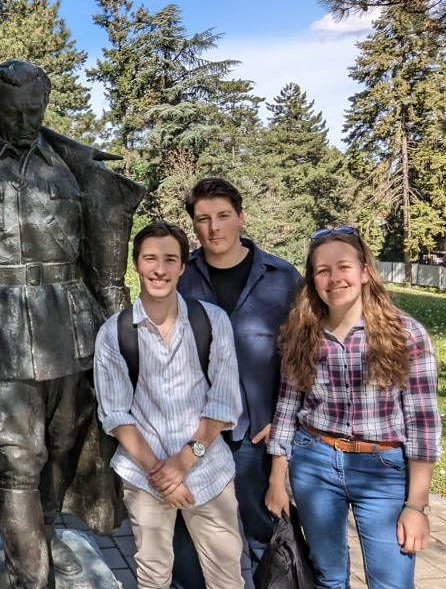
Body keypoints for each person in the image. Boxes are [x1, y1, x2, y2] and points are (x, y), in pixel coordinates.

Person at [0, 59, 144, 587]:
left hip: (71, 323)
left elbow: (99, 256)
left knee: (64, 440)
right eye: (13, 112)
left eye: (34, 110)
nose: (25, 121)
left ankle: (49, 529)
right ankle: (29, 576)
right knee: (19, 458)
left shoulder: (73, 165)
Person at [265, 226, 441, 588]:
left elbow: (423, 424)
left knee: (391, 581)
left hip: (383, 470)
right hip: (314, 463)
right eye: (322, 270)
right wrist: (276, 480)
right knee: (328, 578)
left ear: (364, 272)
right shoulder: (301, 334)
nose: (334, 278)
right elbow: (287, 406)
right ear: (313, 280)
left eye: (343, 266)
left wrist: (416, 506)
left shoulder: (404, 335)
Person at [94, 221, 245, 589]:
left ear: (182, 266)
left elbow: (223, 403)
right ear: (137, 264)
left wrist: (181, 464)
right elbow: (116, 415)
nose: (159, 269)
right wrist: (161, 474)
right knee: (152, 574)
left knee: (226, 576)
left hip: (208, 470)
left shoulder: (212, 321)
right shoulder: (114, 332)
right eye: (150, 258)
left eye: (169, 259)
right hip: (144, 474)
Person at [174, 177, 301, 588]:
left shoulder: (282, 277)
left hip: (257, 436)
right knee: (190, 537)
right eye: (203, 219)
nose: (214, 228)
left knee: (264, 534)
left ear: (241, 217)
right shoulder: (181, 277)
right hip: (196, 432)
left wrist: (282, 421)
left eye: (223, 216)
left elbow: (301, 359)